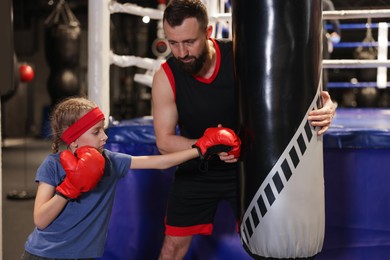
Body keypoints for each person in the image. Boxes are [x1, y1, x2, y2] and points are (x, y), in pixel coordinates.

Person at [151, 0, 336, 259]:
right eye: (173, 43)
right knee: (172, 247)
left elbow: (288, 89)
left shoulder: (241, 55)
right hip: (197, 167)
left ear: (208, 33)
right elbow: (164, 141)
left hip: (247, 167)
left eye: (189, 42)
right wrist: (207, 144)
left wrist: (325, 106)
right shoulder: (166, 76)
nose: (181, 52)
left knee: (270, 242)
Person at [22, 96, 240, 260]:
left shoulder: (110, 161)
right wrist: (69, 188)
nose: (105, 137)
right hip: (44, 255)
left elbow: (160, 162)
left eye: (103, 130)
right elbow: (40, 219)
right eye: (96, 132)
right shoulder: (53, 165)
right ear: (74, 138)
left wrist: (201, 148)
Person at [322, 0, 341, 91]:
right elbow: (335, 24)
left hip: (300, 39)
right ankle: (323, 100)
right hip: (320, 38)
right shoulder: (324, 2)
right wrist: (336, 34)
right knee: (322, 70)